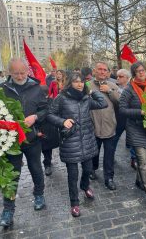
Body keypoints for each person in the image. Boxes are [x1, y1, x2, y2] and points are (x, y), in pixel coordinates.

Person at [47, 72, 107, 217]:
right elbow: (49, 114)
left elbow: (102, 103)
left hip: (87, 141)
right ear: (70, 83)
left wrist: (93, 92)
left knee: (88, 169)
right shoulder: (61, 98)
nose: (80, 84)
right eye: (76, 82)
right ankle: (74, 202)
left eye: (82, 82)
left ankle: (85, 186)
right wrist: (62, 122)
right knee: (72, 175)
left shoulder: (86, 98)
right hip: (70, 142)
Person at [0, 58, 48, 227]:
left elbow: (46, 109)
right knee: (12, 175)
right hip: (11, 141)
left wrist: (35, 117)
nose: (19, 76)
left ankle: (39, 194)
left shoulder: (37, 88)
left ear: (28, 71)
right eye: (16, 73)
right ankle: (8, 210)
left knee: (35, 168)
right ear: (9, 72)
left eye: (22, 72)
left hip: (32, 138)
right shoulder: (1, 89)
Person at [120, 61, 146, 209]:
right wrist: (140, 112)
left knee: (145, 158)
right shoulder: (129, 89)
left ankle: (138, 180)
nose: (141, 73)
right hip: (136, 128)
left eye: (143, 70)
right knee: (143, 161)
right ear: (134, 73)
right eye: (138, 71)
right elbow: (122, 109)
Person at [90, 62, 120, 190]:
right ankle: (92, 169)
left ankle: (109, 178)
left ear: (108, 72)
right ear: (94, 71)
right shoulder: (87, 86)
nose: (102, 72)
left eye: (104, 70)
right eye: (99, 69)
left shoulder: (113, 85)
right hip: (93, 127)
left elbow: (119, 102)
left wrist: (110, 91)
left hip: (109, 126)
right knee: (93, 152)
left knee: (109, 155)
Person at [113, 69, 137, 170]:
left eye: (121, 76)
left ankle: (134, 159)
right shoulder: (114, 87)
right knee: (114, 138)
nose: (118, 78)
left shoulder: (133, 88)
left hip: (131, 117)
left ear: (127, 78)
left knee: (133, 139)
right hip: (119, 118)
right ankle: (111, 155)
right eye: (117, 76)